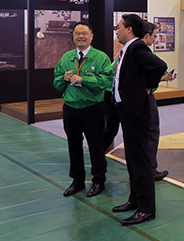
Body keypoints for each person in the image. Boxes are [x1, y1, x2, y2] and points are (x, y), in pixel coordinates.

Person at [111, 14, 167, 226]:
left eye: (119, 27)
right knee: (133, 160)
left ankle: (146, 209)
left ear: (129, 29)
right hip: (127, 111)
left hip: (135, 112)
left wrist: (147, 87)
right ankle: (134, 200)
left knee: (141, 162)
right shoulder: (128, 49)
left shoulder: (137, 48)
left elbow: (159, 66)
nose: (116, 31)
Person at [53, 22, 113, 198]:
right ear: (73, 36)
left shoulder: (101, 58)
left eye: (84, 33)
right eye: (77, 33)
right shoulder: (66, 57)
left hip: (92, 108)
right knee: (73, 145)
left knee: (96, 145)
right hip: (71, 108)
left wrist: (83, 80)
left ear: (91, 36)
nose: (81, 36)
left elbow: (106, 82)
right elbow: (56, 83)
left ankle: (99, 180)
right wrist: (63, 79)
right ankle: (77, 180)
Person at [142, 21, 174, 181]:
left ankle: (143, 169)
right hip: (145, 99)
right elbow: (160, 66)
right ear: (147, 35)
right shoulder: (144, 53)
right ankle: (150, 170)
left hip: (132, 99)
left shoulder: (128, 51)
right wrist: (156, 80)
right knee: (151, 133)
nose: (155, 39)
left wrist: (161, 77)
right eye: (154, 36)